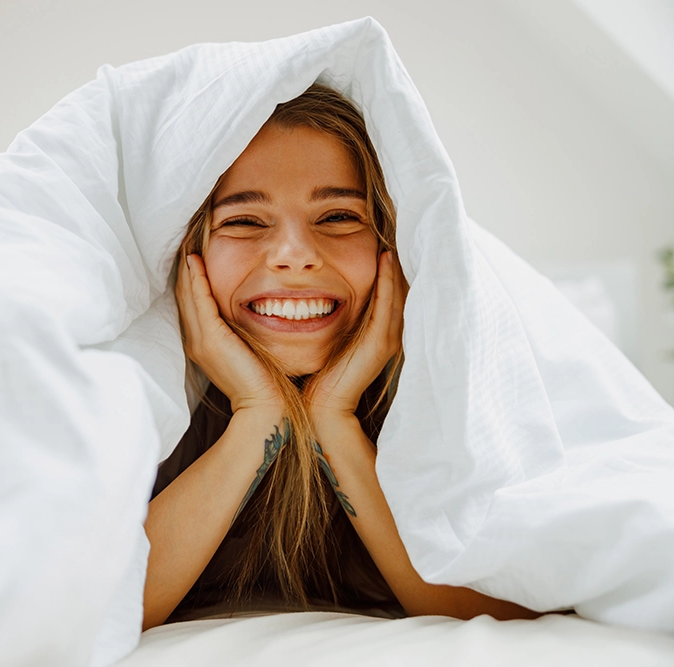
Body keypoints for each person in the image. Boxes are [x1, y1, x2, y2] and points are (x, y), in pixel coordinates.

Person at [142, 83, 544, 630]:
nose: (295, 257)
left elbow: (504, 612)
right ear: (192, 255)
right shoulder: (146, 396)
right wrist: (258, 411)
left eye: (337, 218)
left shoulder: (450, 383)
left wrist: (333, 417)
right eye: (243, 221)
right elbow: (90, 611)